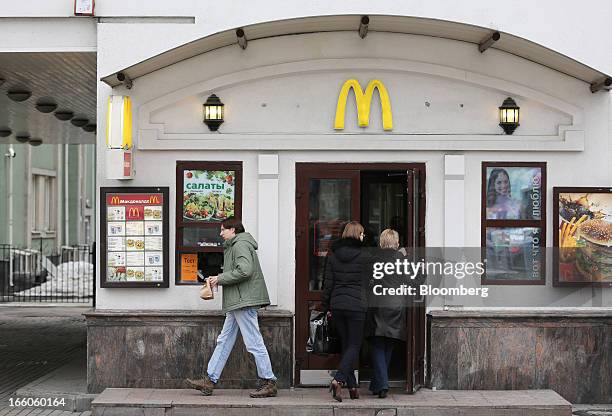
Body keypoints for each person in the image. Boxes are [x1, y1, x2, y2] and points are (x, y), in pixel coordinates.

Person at [186, 218, 277, 398]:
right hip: (238, 300)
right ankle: (209, 380)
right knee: (224, 340)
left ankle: (269, 381)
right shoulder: (236, 244)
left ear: (233, 230)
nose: (220, 234)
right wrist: (219, 278)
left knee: (254, 342)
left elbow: (245, 270)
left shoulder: (240, 244)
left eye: (223, 230)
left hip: (243, 301)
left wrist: (219, 278)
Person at [322, 221, 369, 402]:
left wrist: (326, 307)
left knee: (346, 345)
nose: (364, 236)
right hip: (357, 306)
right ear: (357, 235)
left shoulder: (333, 255)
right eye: (362, 233)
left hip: (338, 305)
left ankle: (353, 387)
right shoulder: (364, 256)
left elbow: (328, 284)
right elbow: (369, 282)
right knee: (354, 346)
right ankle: (339, 380)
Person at [365, 229, 407, 398]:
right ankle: (378, 384)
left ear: (381, 243)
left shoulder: (374, 259)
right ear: (396, 243)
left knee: (377, 345)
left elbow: (367, 283)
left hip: (378, 306)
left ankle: (382, 384)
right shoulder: (402, 260)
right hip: (396, 306)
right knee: (388, 343)